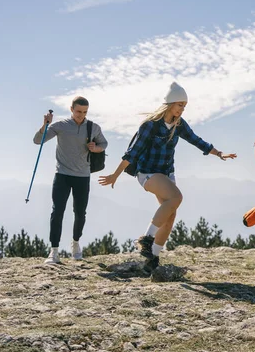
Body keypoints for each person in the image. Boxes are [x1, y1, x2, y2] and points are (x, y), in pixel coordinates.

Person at [98, 82, 237, 274]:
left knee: (171, 215)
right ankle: (146, 239)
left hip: (167, 173)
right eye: (179, 104)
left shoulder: (179, 125)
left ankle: (152, 258)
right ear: (170, 104)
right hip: (147, 172)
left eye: (184, 106)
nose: (182, 109)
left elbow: (196, 140)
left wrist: (219, 153)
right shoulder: (150, 125)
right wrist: (115, 175)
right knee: (176, 198)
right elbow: (132, 152)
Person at [33, 96, 108, 264]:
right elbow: (38, 141)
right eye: (78, 111)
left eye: (84, 112)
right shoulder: (60, 126)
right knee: (57, 211)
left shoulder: (93, 127)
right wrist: (45, 125)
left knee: (80, 213)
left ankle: (75, 244)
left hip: (83, 176)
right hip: (62, 175)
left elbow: (104, 143)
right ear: (71, 109)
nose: (81, 115)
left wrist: (96, 148)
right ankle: (54, 251)